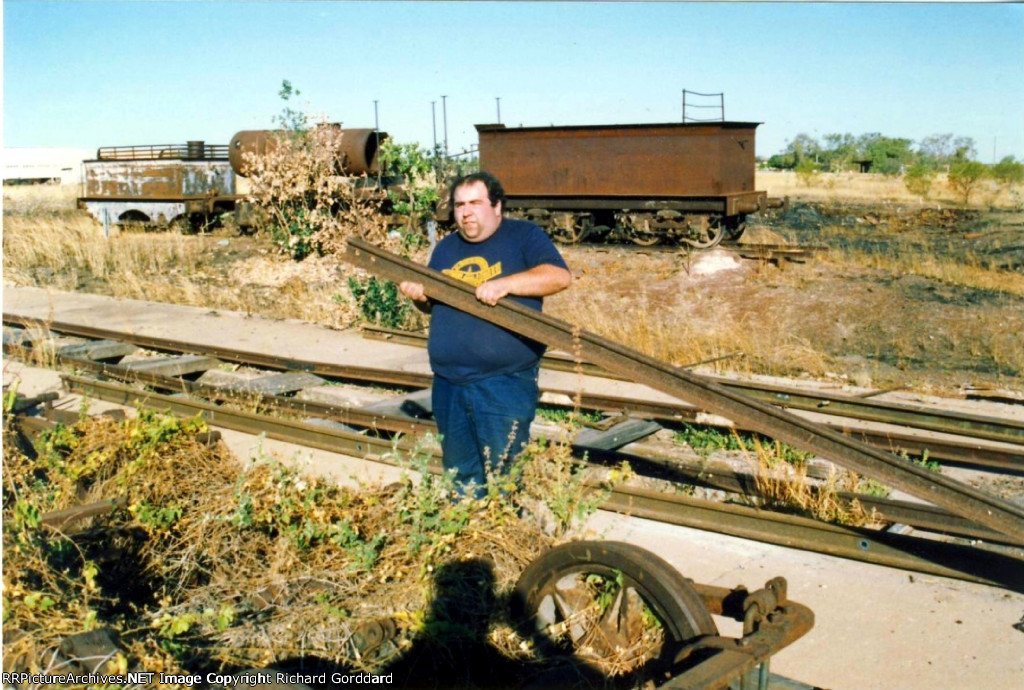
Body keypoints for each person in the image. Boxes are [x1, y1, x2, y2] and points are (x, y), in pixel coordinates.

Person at [399, 171, 571, 497]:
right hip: (449, 384)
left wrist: (504, 284)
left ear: (497, 206)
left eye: (475, 203)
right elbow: (434, 306)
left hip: (502, 383)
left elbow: (558, 276)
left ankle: (504, 543)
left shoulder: (523, 236)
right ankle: (469, 543)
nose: (466, 212)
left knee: (505, 482)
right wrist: (420, 296)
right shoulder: (445, 249)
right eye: (460, 205)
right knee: (460, 482)